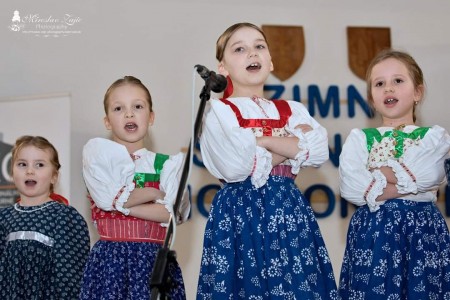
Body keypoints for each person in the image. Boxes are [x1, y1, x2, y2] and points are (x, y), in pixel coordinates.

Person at [196, 22, 338, 299]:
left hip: (288, 211)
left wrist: (260, 142)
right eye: (239, 49)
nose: (252, 53)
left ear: (270, 62)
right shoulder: (218, 110)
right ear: (222, 68)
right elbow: (236, 166)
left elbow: (320, 150)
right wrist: (291, 145)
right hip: (239, 213)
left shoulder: (292, 109)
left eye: (259, 46)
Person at [338, 49, 450, 299]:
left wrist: (376, 174)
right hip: (373, 232)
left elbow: (429, 173)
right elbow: (352, 187)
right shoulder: (359, 138)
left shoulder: (434, 137)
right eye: (380, 84)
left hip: (423, 231)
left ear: (417, 92)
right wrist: (412, 184)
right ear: (371, 98)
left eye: (398, 81)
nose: (388, 89)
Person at [80, 76, 190, 299]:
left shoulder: (168, 165)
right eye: (118, 108)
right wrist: (152, 194)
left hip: (153, 262)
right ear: (107, 121)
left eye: (137, 106)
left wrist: (120, 205)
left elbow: (171, 215)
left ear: (151, 117)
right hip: (109, 265)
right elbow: (105, 199)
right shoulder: (97, 160)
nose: (129, 114)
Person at [0, 135, 90, 299]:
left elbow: (70, 280)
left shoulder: (65, 217)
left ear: (54, 176)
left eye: (39, 165)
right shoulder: (3, 217)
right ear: (12, 172)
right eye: (22, 164)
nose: (30, 170)